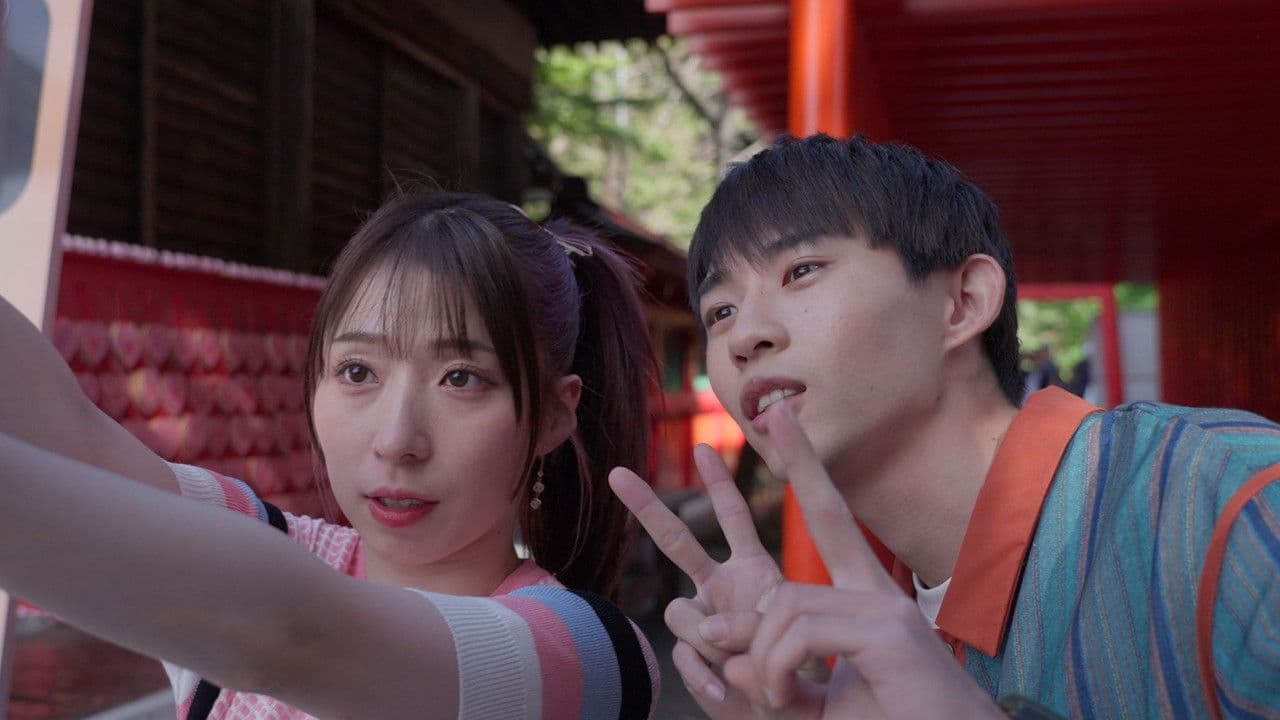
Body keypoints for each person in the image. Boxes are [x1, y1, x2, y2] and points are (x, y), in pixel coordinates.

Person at [609, 134, 1280, 719]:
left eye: (802, 270)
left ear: (962, 302)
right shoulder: (874, 650)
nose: (743, 337)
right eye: (720, 311)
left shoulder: (1225, 501)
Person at [0, 192, 661, 720]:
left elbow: (286, 635)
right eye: (357, 371)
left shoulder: (590, 657)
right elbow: (70, 435)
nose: (396, 439)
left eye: (461, 377)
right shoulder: (263, 544)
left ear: (552, 415)